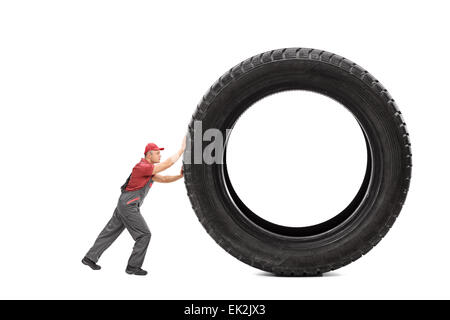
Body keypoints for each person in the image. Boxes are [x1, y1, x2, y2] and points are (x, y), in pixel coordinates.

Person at [82, 136, 187, 276]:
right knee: (144, 234)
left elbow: (164, 178)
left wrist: (180, 176)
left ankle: (89, 258)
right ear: (149, 155)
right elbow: (166, 164)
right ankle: (133, 266)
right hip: (129, 206)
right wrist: (182, 149)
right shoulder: (142, 167)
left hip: (124, 204)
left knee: (109, 232)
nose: (160, 155)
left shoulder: (148, 170)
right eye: (157, 152)